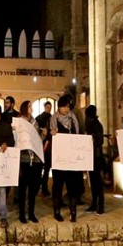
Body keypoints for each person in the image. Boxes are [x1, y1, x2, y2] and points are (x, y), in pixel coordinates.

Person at [49, 94, 84, 222]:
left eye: (68, 107)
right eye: (64, 107)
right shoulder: (54, 119)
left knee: (72, 185)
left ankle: (73, 211)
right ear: (60, 107)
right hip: (59, 158)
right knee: (58, 185)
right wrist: (51, 133)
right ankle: (56, 211)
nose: (67, 109)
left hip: (71, 157)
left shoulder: (73, 118)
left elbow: (78, 132)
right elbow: (50, 135)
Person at [15, 100, 43, 223]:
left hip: (35, 160)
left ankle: (31, 212)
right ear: (25, 108)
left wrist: (43, 135)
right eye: (30, 106)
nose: (31, 108)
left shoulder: (35, 122)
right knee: (22, 188)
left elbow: (37, 139)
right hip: (24, 160)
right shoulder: (19, 122)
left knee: (33, 188)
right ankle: (22, 213)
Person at [84, 105, 106, 215]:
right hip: (91, 157)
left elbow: (100, 141)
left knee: (98, 182)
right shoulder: (90, 125)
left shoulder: (97, 125)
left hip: (96, 157)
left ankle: (100, 205)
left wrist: (91, 140)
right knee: (93, 182)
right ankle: (94, 203)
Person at [36, 101, 53, 196]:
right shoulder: (50, 118)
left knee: (40, 168)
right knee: (46, 168)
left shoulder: (39, 118)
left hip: (41, 145)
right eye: (48, 107)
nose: (49, 109)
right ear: (45, 107)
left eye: (50, 107)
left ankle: (39, 186)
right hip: (46, 145)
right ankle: (44, 187)